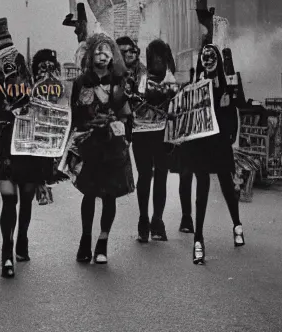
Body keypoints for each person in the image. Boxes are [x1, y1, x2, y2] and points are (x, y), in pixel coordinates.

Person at [0, 47, 65, 278]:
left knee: (27, 199)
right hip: (4, 152)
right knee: (9, 201)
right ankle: (6, 252)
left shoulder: (36, 89)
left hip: (29, 152)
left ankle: (22, 239)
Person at [64, 34, 135, 265]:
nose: (103, 55)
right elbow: (75, 115)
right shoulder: (81, 82)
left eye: (107, 51)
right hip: (91, 144)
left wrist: (121, 127)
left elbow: (127, 114)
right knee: (90, 193)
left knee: (109, 195)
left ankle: (102, 242)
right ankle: (85, 240)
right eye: (98, 50)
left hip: (113, 146)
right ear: (91, 53)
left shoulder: (120, 81)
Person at [181, 44, 244, 265]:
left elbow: (236, 109)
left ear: (217, 59)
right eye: (204, 58)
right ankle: (198, 239)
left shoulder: (226, 83)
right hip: (201, 143)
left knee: (227, 184)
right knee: (202, 189)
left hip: (219, 143)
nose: (208, 61)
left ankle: (236, 224)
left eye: (212, 57)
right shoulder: (195, 84)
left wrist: (230, 134)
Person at [129, 39, 178, 242]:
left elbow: (176, 107)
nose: (156, 62)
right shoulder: (140, 77)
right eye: (153, 58)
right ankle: (143, 219)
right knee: (144, 175)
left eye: (160, 57)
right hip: (141, 131)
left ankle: (157, 220)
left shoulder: (171, 80)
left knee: (161, 176)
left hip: (162, 134)